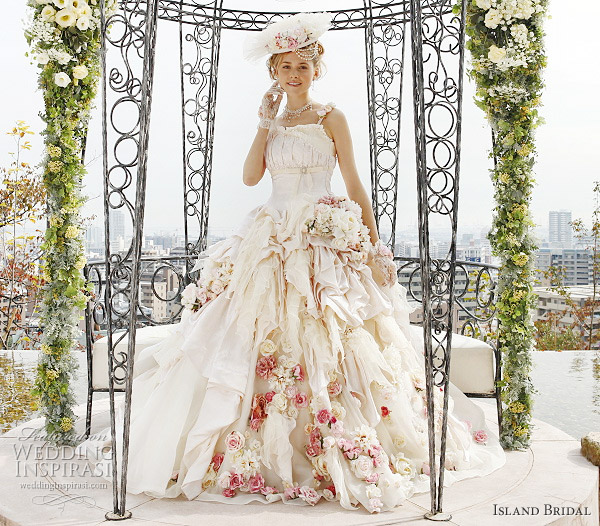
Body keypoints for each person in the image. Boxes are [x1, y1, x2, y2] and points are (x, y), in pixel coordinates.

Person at [76, 11, 505, 514]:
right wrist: (263, 121)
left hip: (320, 235)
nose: (295, 73)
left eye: (303, 64)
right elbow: (250, 177)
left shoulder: (332, 118)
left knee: (331, 333)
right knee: (248, 329)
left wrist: (370, 245)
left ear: (316, 68)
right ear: (274, 71)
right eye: (286, 66)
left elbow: (353, 184)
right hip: (270, 233)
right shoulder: (273, 123)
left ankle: (328, 437)